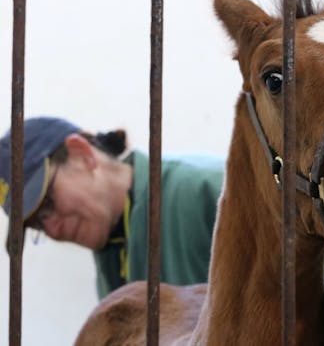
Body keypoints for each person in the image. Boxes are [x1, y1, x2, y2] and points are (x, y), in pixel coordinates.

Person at [0, 116, 225, 299]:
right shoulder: (111, 254)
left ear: (81, 154)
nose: (54, 230)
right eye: (38, 224)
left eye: (48, 204)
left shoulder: (207, 189)